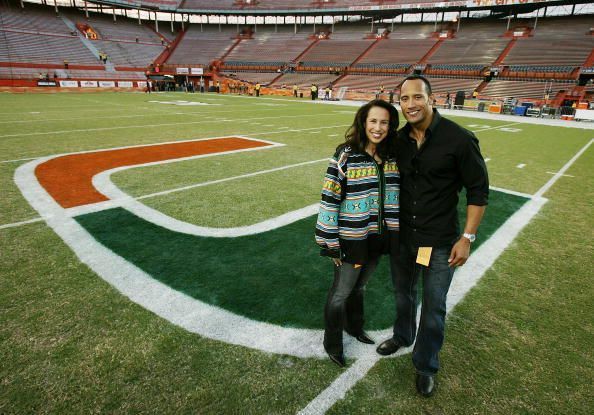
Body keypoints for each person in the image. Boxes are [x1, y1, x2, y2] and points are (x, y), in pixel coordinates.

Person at [376, 75, 489, 397]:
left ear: (431, 99)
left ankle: (425, 364)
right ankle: (402, 335)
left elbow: (478, 190)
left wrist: (467, 238)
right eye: (404, 99)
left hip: (440, 240)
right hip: (403, 238)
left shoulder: (459, 139)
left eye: (417, 97)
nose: (410, 104)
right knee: (403, 295)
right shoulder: (399, 140)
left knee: (434, 305)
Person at [315, 100, 401, 367]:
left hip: (378, 236)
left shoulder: (391, 158)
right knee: (341, 292)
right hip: (351, 237)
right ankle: (332, 342)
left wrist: (395, 234)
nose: (378, 127)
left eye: (384, 122)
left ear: (391, 126)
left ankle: (355, 328)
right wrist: (330, 241)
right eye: (373, 121)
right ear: (364, 122)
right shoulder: (346, 155)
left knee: (360, 287)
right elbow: (329, 197)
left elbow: (395, 197)